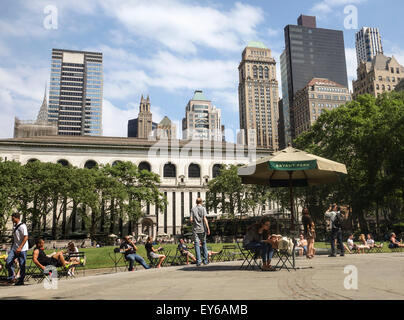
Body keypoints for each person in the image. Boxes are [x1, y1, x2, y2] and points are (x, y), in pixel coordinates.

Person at [6, 213, 29, 286]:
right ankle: (12, 277)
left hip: (22, 249)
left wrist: (20, 247)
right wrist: (13, 246)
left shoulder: (23, 226)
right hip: (14, 248)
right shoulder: (14, 226)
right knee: (8, 261)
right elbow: (15, 238)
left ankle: (21, 280)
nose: (12, 220)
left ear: (17, 218)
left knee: (22, 264)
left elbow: (26, 237)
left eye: (12, 218)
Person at [189, 198, 210, 266]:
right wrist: (208, 228)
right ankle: (205, 260)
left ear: (196, 202)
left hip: (195, 230)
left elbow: (191, 220)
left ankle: (198, 261)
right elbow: (204, 218)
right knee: (204, 244)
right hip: (202, 229)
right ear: (201, 202)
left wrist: (194, 222)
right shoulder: (203, 209)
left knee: (196, 245)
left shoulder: (193, 209)